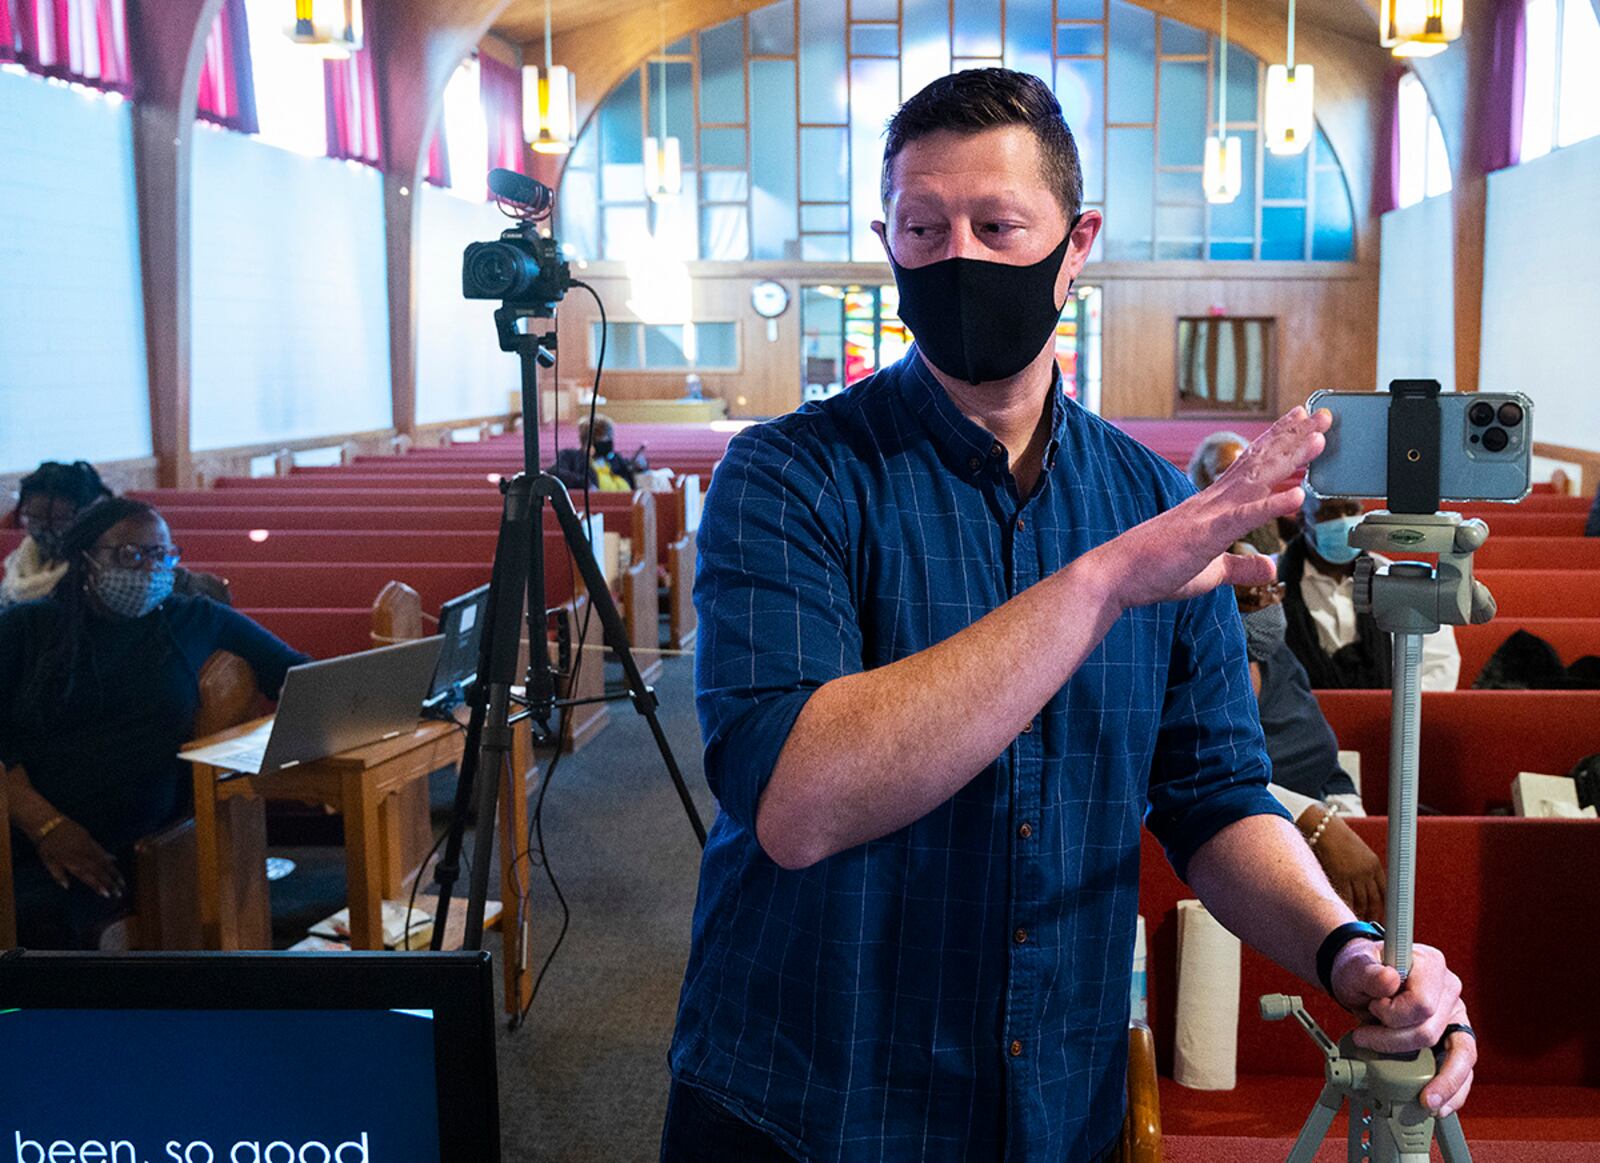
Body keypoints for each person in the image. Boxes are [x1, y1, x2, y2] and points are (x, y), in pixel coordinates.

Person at [666, 69, 1473, 1162]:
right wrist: (1097, 585)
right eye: (920, 227)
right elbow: (799, 802)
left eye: (998, 226)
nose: (957, 257)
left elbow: (1212, 797)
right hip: (813, 1092)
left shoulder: (1148, 503)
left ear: (1076, 241)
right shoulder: (789, 476)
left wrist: (1346, 949)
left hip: (1050, 1096)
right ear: (885, 238)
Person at [0, 498, 309, 948]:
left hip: (140, 838)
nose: (150, 568)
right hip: (26, 827)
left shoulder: (196, 619)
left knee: (43, 921)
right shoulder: (29, 627)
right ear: (85, 559)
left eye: (162, 555)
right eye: (131, 555)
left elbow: (294, 672)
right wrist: (47, 826)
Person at [1234, 555, 1384, 923]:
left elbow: (1324, 758)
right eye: (1251, 600)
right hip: (1251, 853)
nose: (1270, 606)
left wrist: (1352, 818)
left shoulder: (1275, 657)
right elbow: (1199, 774)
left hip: (1322, 834)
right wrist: (1317, 824)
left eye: (1273, 593)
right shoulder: (1189, 672)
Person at [1280, 494, 1461, 690]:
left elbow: (1439, 663)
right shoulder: (1271, 582)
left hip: (1390, 713)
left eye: (1351, 511)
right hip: (1297, 711)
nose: (1342, 522)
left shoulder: (1396, 578)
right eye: (1329, 512)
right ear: (1303, 521)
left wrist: (1394, 711)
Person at [2, 460, 112, 610]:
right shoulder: (23, 557)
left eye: (59, 520)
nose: (44, 530)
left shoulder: (100, 573)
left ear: (87, 516)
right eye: (35, 518)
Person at [1188, 431, 1284, 554]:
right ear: (1205, 476)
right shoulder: (1194, 514)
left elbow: (1271, 555)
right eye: (1223, 470)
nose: (1233, 476)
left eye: (1239, 468)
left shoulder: (1261, 510)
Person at [552, 414, 641, 493]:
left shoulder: (614, 458)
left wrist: (638, 466)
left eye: (609, 438)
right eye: (602, 439)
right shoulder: (570, 457)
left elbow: (629, 469)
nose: (607, 443)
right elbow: (555, 472)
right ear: (588, 440)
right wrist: (586, 484)